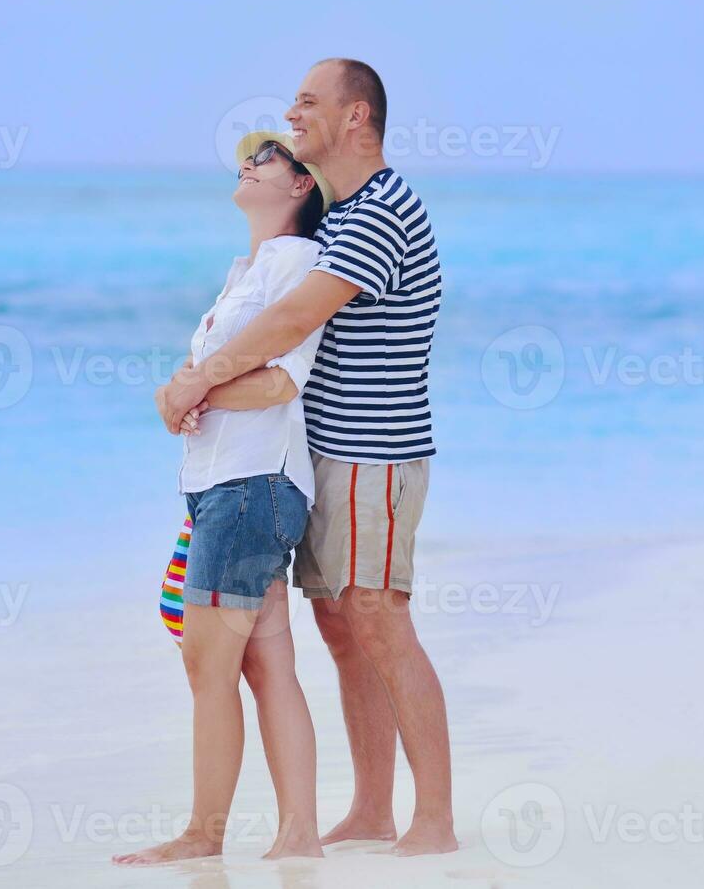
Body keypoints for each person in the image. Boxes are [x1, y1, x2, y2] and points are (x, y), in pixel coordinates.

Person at [157, 59, 456, 857]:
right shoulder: (344, 216)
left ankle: (434, 821)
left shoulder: (378, 212)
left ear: (356, 117)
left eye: (308, 102)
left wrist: (199, 380)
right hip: (325, 453)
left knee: (377, 619)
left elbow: (294, 320)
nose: (292, 113)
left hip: (373, 453)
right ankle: (370, 809)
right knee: (340, 626)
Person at [116, 133, 333, 866]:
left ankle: (203, 837)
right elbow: (206, 375)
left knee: (210, 667)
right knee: (264, 665)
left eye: (269, 155)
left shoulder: (299, 263)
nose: (250, 161)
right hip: (224, 486)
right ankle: (296, 833)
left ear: (302, 185)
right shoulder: (248, 270)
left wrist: (194, 389)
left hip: (250, 484)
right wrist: (176, 393)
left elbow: (282, 380)